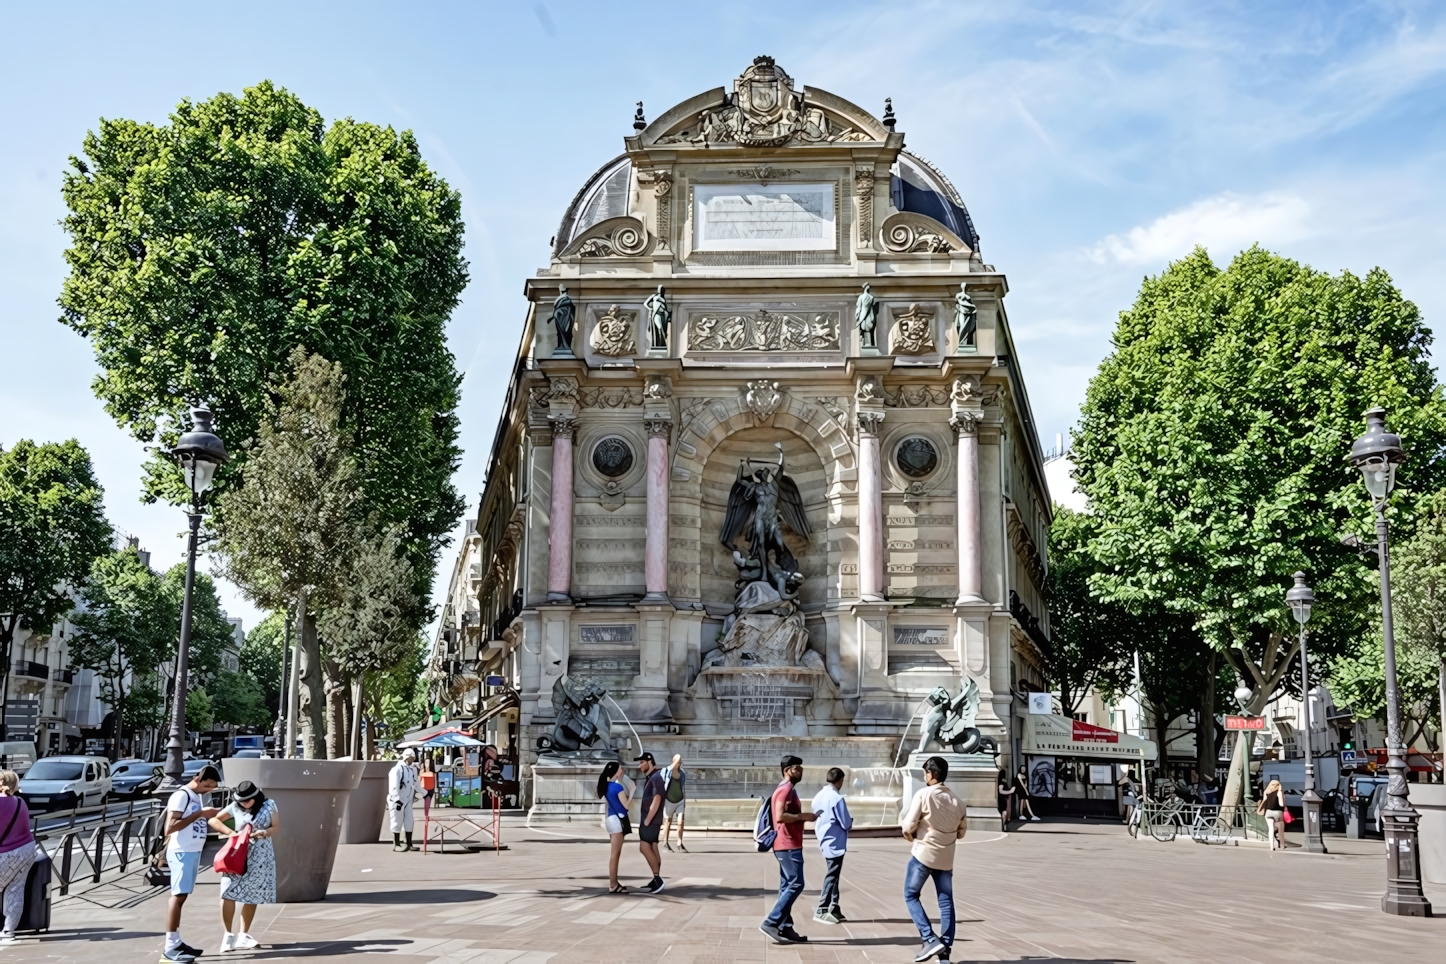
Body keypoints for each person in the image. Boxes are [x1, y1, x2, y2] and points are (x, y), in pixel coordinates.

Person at [901, 756, 967, 962]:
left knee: (910, 895)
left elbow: (908, 825)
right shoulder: (958, 801)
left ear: (931, 774)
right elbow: (961, 832)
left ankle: (930, 939)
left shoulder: (923, 794)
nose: (924, 777)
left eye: (925, 773)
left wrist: (912, 837)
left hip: (923, 854)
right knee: (946, 902)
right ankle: (944, 952)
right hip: (946, 859)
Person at [207, 780, 279, 952]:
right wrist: (232, 833)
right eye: (241, 800)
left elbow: (276, 827)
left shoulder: (269, 805)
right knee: (227, 892)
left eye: (247, 800)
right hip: (237, 854)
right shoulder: (235, 806)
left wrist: (265, 832)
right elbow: (213, 821)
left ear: (256, 797)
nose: (244, 804)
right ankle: (228, 935)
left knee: (252, 895)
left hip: (260, 856)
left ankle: (243, 935)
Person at [163, 764, 222, 962]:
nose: (209, 791)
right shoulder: (182, 795)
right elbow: (169, 828)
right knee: (177, 896)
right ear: (197, 780)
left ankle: (176, 941)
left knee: (182, 896)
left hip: (192, 850)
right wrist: (200, 814)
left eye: (213, 788)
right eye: (207, 786)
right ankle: (170, 946)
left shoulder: (195, 796)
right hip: (182, 851)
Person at [759, 755, 816, 945]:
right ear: (786, 770)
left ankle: (785, 926)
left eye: (801, 767)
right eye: (796, 768)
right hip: (787, 845)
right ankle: (771, 922)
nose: (800, 771)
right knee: (796, 884)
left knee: (786, 886)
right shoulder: (784, 790)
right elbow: (780, 816)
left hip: (789, 844)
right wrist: (804, 816)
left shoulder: (788, 789)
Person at [811, 766, 853, 926]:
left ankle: (834, 907)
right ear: (841, 780)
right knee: (832, 875)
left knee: (833, 873)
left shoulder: (819, 796)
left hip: (824, 838)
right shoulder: (836, 798)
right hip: (836, 841)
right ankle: (821, 909)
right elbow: (846, 823)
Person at [0, 771, 36, 945]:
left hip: (7, 854)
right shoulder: (20, 802)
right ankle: (8, 930)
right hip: (27, 850)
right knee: (15, 890)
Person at [597, 762, 632, 893]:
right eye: (620, 769)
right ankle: (613, 884)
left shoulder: (606, 786)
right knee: (615, 855)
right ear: (616, 772)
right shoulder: (617, 787)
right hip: (617, 821)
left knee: (614, 854)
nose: (622, 771)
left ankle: (614, 883)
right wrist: (632, 791)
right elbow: (627, 806)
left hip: (610, 820)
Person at [635, 752, 666, 894]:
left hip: (651, 821)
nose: (640, 765)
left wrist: (647, 819)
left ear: (650, 762)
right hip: (653, 821)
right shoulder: (653, 777)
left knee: (644, 847)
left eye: (642, 762)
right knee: (653, 847)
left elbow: (657, 798)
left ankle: (658, 879)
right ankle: (656, 879)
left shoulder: (656, 777)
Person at [388, 749, 420, 852]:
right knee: (396, 821)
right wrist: (397, 799)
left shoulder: (411, 769)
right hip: (397, 801)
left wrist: (423, 792)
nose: (412, 760)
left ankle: (409, 843)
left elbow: (415, 784)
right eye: (410, 757)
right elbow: (393, 786)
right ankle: (396, 844)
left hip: (407, 800)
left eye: (413, 758)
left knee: (409, 821)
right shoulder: (397, 769)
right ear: (406, 757)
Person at [662, 754, 688, 853]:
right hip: (668, 801)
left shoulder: (682, 773)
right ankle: (665, 843)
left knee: (680, 822)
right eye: (679, 760)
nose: (680, 762)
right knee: (667, 822)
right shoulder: (666, 771)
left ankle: (679, 843)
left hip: (680, 801)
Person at [1259, 778, 1287, 852]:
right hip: (1278, 812)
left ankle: (1271, 847)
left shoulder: (1266, 791)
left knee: (1270, 829)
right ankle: (1282, 845)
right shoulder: (1279, 792)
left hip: (1268, 812)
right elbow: (1281, 804)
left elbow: (1265, 801)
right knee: (1281, 827)